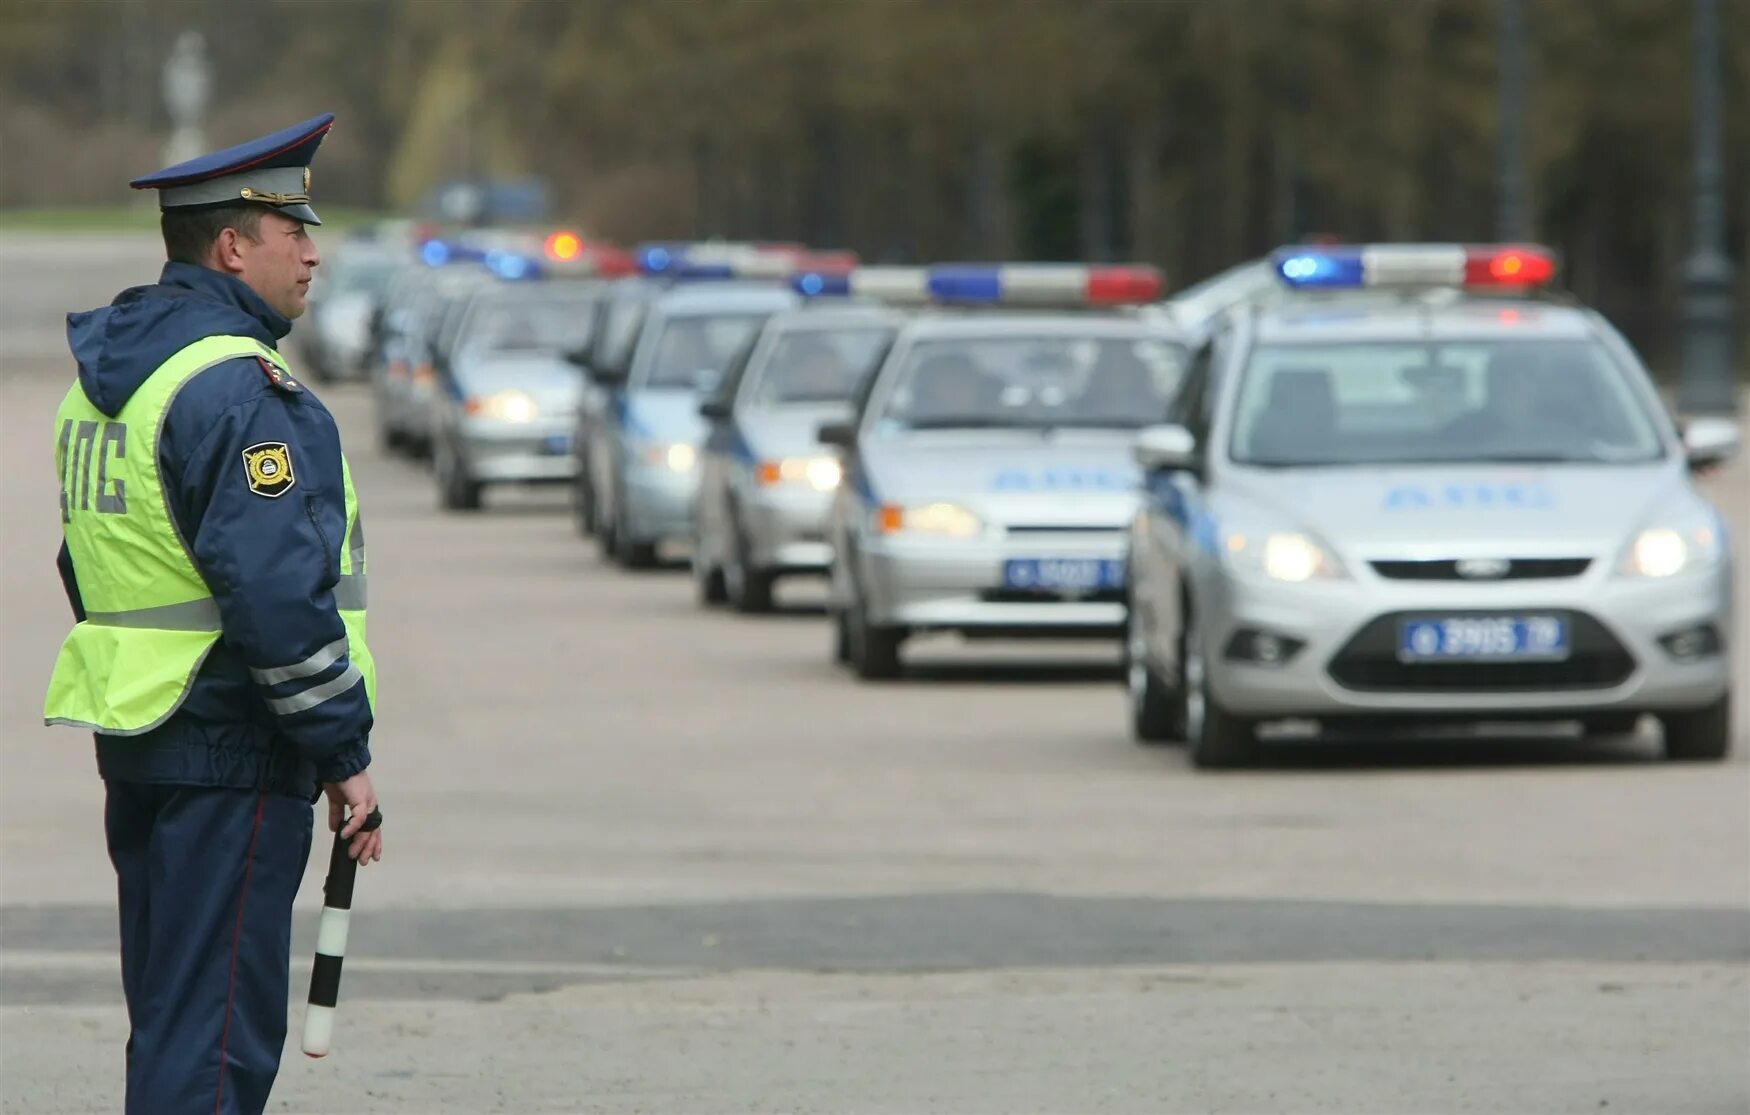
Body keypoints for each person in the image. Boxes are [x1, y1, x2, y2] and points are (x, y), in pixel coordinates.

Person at [43, 113, 385, 1114]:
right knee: (215, 1039)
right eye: (294, 234)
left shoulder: (114, 379)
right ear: (233, 247)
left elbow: (93, 561)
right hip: (232, 742)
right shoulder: (238, 390)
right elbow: (279, 597)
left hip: (145, 734)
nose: (314, 253)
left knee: (174, 1014)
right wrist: (341, 748)